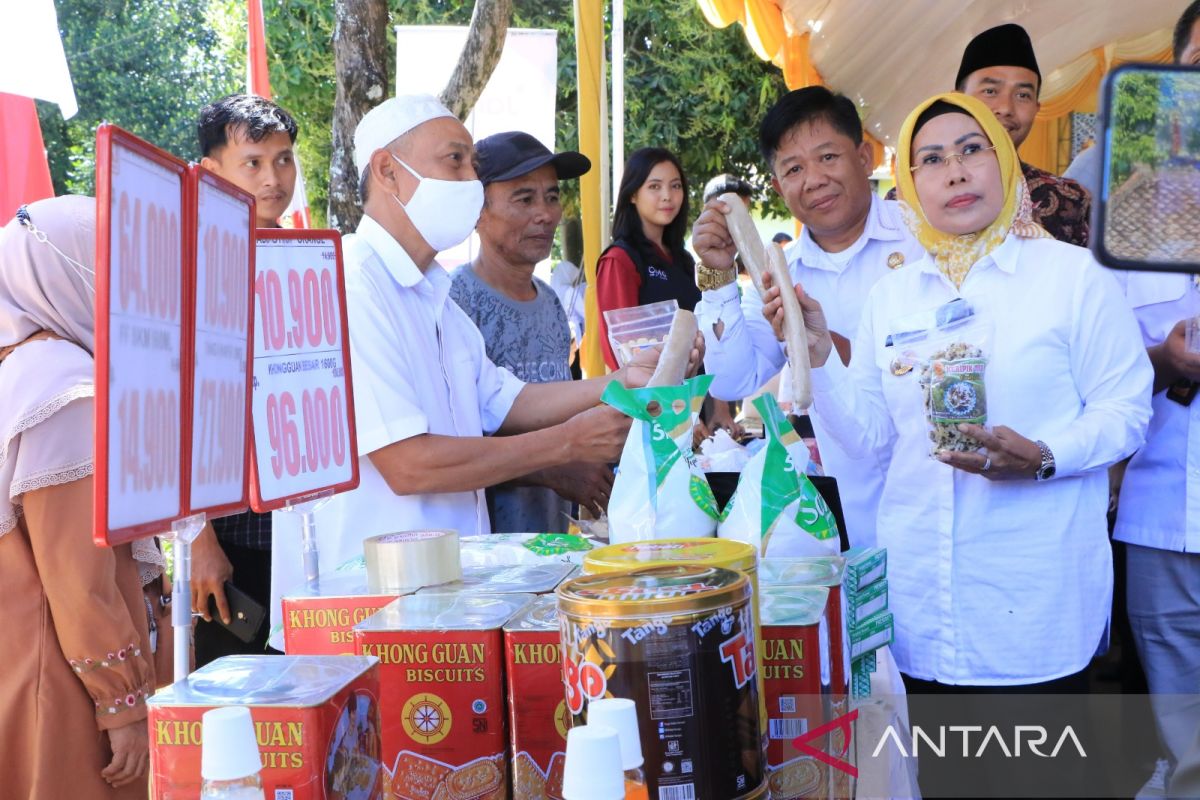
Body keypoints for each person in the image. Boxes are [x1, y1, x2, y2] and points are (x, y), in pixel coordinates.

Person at [764, 92, 1152, 789]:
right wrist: (817, 351)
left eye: (972, 150)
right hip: (922, 610)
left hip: (1031, 608)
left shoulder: (1069, 279)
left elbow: (1126, 408)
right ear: (911, 182)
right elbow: (872, 437)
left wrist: (1043, 455)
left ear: (1002, 163)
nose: (955, 171)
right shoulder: (896, 296)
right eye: (932, 159)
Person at [268, 96, 697, 647]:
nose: (470, 180)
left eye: (472, 164)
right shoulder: (350, 283)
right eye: (455, 161)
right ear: (387, 171)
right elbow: (408, 465)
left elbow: (506, 399)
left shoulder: (436, 294)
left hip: (432, 606)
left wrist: (619, 383)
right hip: (359, 616)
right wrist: (565, 444)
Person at [692, 86, 926, 547]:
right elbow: (732, 380)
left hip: (940, 497)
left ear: (864, 156)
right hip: (848, 517)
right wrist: (718, 277)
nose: (814, 179)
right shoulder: (783, 271)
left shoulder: (923, 236)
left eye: (827, 158)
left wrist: (829, 351)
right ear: (778, 188)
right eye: (794, 169)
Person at [0, 196, 165, 798]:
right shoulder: (64, 386)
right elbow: (78, 578)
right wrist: (121, 703)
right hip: (64, 678)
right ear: (64, 270)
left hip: (31, 659)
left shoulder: (21, 368)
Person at [1113, 3, 1200, 794]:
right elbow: (1097, 356)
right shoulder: (1132, 202)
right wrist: (1162, 358)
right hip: (1164, 515)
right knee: (1184, 744)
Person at [449, 131, 615, 528]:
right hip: (484, 555)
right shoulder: (455, 302)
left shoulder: (551, 303)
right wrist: (551, 468)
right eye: (524, 199)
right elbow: (450, 445)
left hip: (550, 547)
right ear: (477, 210)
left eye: (553, 197)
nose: (546, 214)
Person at [190, 93, 300, 665]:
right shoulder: (192, 266)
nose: (273, 177)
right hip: (231, 539)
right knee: (235, 710)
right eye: (253, 162)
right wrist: (198, 541)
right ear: (211, 172)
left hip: (305, 528)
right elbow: (175, 410)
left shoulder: (312, 259)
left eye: (283, 159)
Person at [955, 23, 1092, 245]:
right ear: (957, 100)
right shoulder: (913, 197)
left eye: (1022, 95)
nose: (1006, 107)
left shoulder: (1070, 201)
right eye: (990, 91)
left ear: (1037, 108)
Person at [596, 147, 699, 370]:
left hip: (691, 394)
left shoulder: (684, 260)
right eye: (654, 186)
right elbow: (619, 353)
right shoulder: (619, 260)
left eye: (676, 186)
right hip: (648, 398)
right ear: (632, 194)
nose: (667, 196)